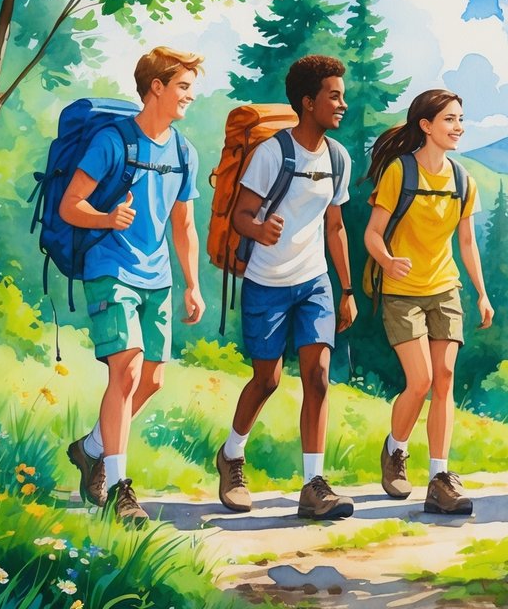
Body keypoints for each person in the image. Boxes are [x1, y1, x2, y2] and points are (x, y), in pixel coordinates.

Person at [63, 46, 206, 525]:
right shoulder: (111, 141)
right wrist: (106, 218)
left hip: (158, 277)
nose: (190, 95)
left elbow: (184, 225)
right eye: (183, 86)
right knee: (125, 370)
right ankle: (122, 488)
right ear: (156, 88)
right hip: (110, 267)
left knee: (153, 379)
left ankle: (90, 449)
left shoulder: (184, 151)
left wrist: (192, 284)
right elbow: (70, 206)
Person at [215, 55, 358, 520]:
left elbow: (335, 226)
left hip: (313, 281)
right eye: (333, 96)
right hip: (266, 282)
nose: (342, 103)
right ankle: (232, 455)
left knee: (317, 377)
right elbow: (241, 215)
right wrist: (259, 231)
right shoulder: (271, 153)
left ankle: (313, 485)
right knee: (268, 379)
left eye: (342, 94)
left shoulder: (338, 157)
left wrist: (347, 290)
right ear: (308, 101)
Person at [365, 89, 494, 516]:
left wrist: (481, 292)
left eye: (461, 119)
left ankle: (440, 478)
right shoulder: (400, 173)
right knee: (418, 382)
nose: (458, 127)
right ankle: (396, 449)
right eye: (449, 120)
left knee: (443, 379)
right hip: (403, 293)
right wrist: (386, 259)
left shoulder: (462, 179)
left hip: (446, 289)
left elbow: (468, 241)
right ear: (426, 125)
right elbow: (372, 233)